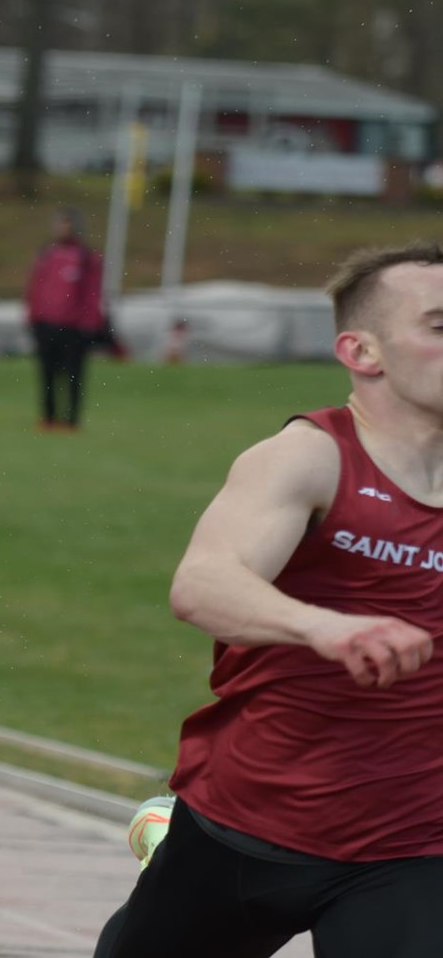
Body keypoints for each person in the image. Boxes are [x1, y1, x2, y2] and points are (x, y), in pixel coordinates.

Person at [95, 241, 443, 957]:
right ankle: (168, 833)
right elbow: (204, 585)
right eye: (439, 325)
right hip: (247, 824)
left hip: (413, 846)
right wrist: (327, 629)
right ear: (362, 351)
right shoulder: (308, 457)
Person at [23, 206, 106, 431]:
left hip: (74, 327)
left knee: (73, 376)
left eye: (67, 223)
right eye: (59, 223)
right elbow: (35, 288)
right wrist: (32, 316)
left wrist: (90, 324)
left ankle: (71, 421)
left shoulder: (86, 257)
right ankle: (48, 418)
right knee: (46, 374)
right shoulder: (46, 254)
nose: (62, 228)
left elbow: (92, 293)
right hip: (45, 324)